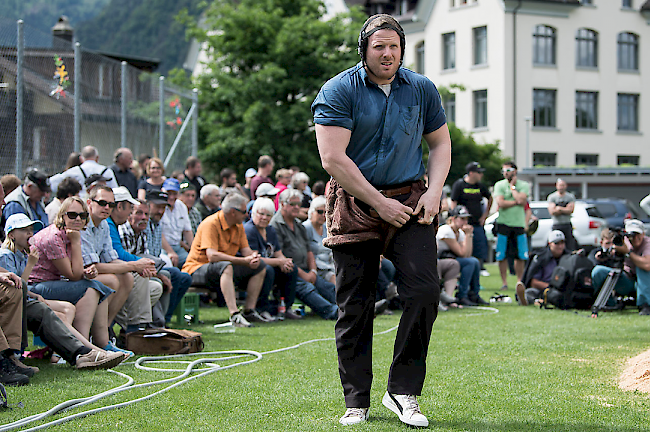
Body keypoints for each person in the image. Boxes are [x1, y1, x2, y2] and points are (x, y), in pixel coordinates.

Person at [311, 13, 451, 427]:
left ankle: (403, 391)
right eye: (379, 47)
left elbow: (440, 143)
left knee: (425, 291)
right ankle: (357, 400)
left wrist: (435, 190)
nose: (387, 53)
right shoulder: (338, 90)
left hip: (411, 199)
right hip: (354, 201)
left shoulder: (422, 88)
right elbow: (332, 158)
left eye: (394, 46)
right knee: (355, 305)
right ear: (364, 51)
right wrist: (378, 203)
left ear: (402, 49)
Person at [0, 214, 126, 370]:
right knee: (91, 287)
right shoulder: (7, 255)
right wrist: (32, 264)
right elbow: (17, 287)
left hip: (29, 296)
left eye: (30, 230)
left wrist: (35, 296)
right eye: (24, 230)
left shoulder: (22, 254)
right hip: (18, 300)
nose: (29, 234)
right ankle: (92, 351)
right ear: (11, 235)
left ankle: (85, 351)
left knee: (73, 303)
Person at [28, 197, 125, 355]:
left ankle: (102, 343)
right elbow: (74, 276)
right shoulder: (53, 237)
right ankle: (82, 347)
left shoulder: (71, 233)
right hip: (35, 287)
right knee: (92, 288)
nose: (78, 219)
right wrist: (76, 243)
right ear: (62, 216)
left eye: (82, 215)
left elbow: (78, 272)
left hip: (54, 283)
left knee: (99, 285)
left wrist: (89, 272)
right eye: (72, 215)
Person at [182, 194, 268, 327]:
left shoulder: (238, 226)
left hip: (222, 268)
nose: (247, 215)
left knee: (260, 266)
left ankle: (249, 311)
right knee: (226, 266)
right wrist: (243, 260)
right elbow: (212, 256)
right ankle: (234, 315)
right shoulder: (210, 223)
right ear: (233, 212)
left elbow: (246, 251)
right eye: (244, 212)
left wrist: (253, 257)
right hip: (196, 268)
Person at [270, 190, 340, 320]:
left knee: (327, 287)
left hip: (307, 270)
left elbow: (309, 252)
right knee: (307, 288)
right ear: (282, 204)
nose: (297, 207)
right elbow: (279, 256)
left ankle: (352, 307)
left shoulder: (299, 225)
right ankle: (334, 312)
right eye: (293, 204)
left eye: (298, 204)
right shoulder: (275, 225)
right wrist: (305, 274)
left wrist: (313, 271)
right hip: (288, 272)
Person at [120, 199, 192, 325]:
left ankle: (160, 322)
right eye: (139, 213)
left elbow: (145, 257)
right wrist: (157, 274)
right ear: (129, 215)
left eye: (146, 214)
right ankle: (154, 324)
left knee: (171, 277)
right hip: (126, 274)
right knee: (161, 280)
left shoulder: (143, 232)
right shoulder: (124, 231)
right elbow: (126, 261)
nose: (143, 218)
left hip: (140, 270)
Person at [106, 187, 162, 333]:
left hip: (113, 272)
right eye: (131, 209)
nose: (130, 213)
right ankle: (137, 328)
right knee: (140, 270)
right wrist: (140, 263)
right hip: (107, 274)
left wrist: (142, 263)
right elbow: (117, 255)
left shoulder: (112, 225)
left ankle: (130, 326)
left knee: (156, 288)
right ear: (119, 207)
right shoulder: (110, 224)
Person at [244, 197, 301, 320]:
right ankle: (262, 309)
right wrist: (279, 261)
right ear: (253, 213)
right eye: (261, 214)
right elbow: (255, 258)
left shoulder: (270, 230)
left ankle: (287, 307)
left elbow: (278, 253)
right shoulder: (249, 230)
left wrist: (285, 262)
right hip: (251, 268)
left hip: (270, 264)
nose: (264, 217)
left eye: (268, 215)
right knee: (267, 269)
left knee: (292, 268)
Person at [591, 219, 650, 315]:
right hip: (627, 279)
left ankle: (645, 305)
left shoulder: (648, 243)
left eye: (637, 234)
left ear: (643, 234)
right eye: (632, 235)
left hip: (645, 284)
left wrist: (628, 252)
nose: (635, 238)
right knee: (598, 271)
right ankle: (610, 303)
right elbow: (614, 253)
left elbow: (648, 265)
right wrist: (606, 255)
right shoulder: (623, 241)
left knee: (641, 266)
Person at [436, 206, 488, 306]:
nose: (465, 222)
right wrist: (468, 235)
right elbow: (462, 253)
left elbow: (468, 254)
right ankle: (462, 295)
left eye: (466, 219)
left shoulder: (459, 232)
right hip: (441, 260)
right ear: (453, 219)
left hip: (451, 260)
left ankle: (473, 294)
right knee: (470, 262)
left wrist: (469, 235)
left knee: (474, 261)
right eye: (462, 219)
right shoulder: (446, 231)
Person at [450, 162, 492, 274]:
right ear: (471, 173)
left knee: (480, 246)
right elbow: (453, 202)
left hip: (477, 223)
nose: (481, 175)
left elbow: (490, 198)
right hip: (463, 224)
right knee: (465, 247)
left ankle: (480, 268)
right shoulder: (459, 185)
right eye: (479, 173)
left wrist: (485, 216)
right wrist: (456, 219)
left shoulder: (480, 186)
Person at [494, 161, 530, 291]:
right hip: (503, 224)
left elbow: (522, 200)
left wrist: (512, 187)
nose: (505, 172)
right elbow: (501, 203)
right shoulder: (499, 185)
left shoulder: (524, 185)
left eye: (508, 170)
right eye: (503, 170)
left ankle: (519, 282)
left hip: (518, 224)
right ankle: (504, 282)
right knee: (501, 255)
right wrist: (516, 202)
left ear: (515, 171)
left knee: (520, 255)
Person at [519, 230, 570, 306]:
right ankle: (533, 301)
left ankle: (541, 301)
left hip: (563, 290)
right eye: (557, 243)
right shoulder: (541, 258)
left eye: (562, 243)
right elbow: (534, 282)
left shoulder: (568, 257)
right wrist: (551, 287)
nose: (560, 246)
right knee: (529, 292)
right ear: (550, 244)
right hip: (544, 289)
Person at [49, 146, 118, 196]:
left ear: (81, 159)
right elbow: (115, 191)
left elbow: (52, 183)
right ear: (97, 158)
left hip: (79, 205)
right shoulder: (107, 171)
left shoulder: (74, 171)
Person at [2, 169, 50, 234]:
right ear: (30, 186)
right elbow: (18, 236)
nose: (44, 194)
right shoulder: (14, 204)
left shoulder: (37, 200)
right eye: (41, 190)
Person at [160, 178, 194, 268]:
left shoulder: (182, 206)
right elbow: (159, 233)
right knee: (168, 263)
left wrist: (194, 251)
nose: (171, 197)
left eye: (174, 193)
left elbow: (187, 231)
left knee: (192, 263)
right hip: (163, 248)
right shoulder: (159, 207)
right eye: (168, 193)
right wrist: (170, 251)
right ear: (163, 191)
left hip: (178, 247)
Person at [303, 197, 335, 284]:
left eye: (326, 212)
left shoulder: (326, 228)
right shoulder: (306, 227)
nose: (323, 215)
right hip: (318, 269)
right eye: (320, 212)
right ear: (312, 212)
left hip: (331, 266)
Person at [547, 178, 577, 251]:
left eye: (563, 185)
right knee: (555, 244)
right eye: (560, 185)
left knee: (570, 246)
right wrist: (565, 208)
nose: (561, 187)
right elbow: (552, 212)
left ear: (566, 186)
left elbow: (570, 210)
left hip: (567, 224)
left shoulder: (570, 197)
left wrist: (559, 208)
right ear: (556, 186)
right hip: (556, 225)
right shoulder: (552, 197)